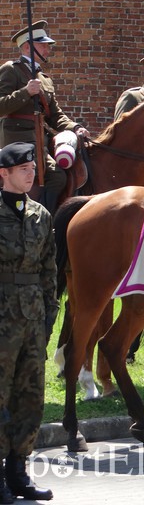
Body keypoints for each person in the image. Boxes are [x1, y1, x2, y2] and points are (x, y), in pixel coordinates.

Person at [0, 142, 57, 503]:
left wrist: (49, 317)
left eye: (33, 168)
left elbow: (49, 271)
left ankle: (18, 471)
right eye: (23, 169)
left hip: (33, 317)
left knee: (31, 396)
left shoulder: (41, 215)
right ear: (3, 173)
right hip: (2, 313)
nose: (31, 173)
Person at [0, 20, 89, 213]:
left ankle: (44, 220)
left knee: (58, 176)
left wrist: (74, 127)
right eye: (43, 45)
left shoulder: (45, 79)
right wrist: (25, 92)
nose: (48, 49)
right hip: (17, 140)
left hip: (40, 140)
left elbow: (55, 115)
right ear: (26, 46)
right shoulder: (11, 70)